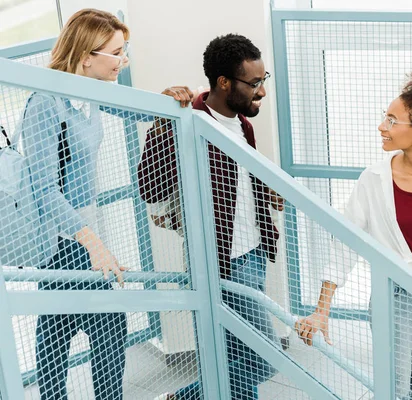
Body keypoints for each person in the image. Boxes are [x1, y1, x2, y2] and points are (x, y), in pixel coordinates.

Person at [20, 9, 192, 399]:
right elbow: (44, 189)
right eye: (117, 53)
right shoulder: (46, 103)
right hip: (61, 239)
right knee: (105, 324)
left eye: (124, 49)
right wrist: (94, 245)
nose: (124, 60)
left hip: (83, 233)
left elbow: (133, 109)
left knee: (57, 328)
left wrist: (169, 99)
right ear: (86, 57)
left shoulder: (90, 92)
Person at [295, 72, 412, 400]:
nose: (382, 126)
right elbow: (344, 241)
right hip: (393, 294)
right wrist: (322, 308)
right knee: (394, 389)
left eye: (392, 120)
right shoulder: (374, 179)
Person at [143, 34, 283, 400]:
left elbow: (232, 183)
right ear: (224, 83)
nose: (262, 92)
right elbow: (151, 189)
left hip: (253, 252)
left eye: (263, 81)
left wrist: (265, 193)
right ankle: (186, 396)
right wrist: (162, 125)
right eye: (255, 84)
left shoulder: (243, 125)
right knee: (264, 359)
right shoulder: (187, 121)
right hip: (220, 261)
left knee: (235, 354)